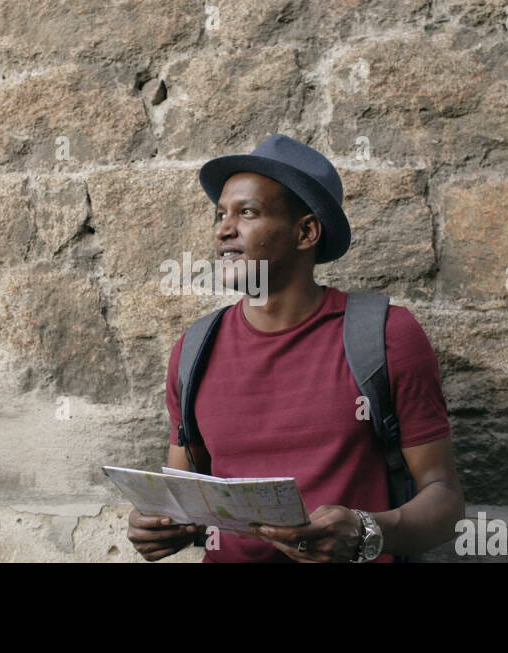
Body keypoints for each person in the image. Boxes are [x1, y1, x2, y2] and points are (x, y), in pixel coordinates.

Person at [127, 134, 465, 562]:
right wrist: (159, 525)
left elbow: (446, 500)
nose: (223, 230)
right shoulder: (193, 350)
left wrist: (367, 530)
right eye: (220, 215)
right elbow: (182, 494)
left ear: (305, 232)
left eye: (247, 212)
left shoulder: (386, 337)